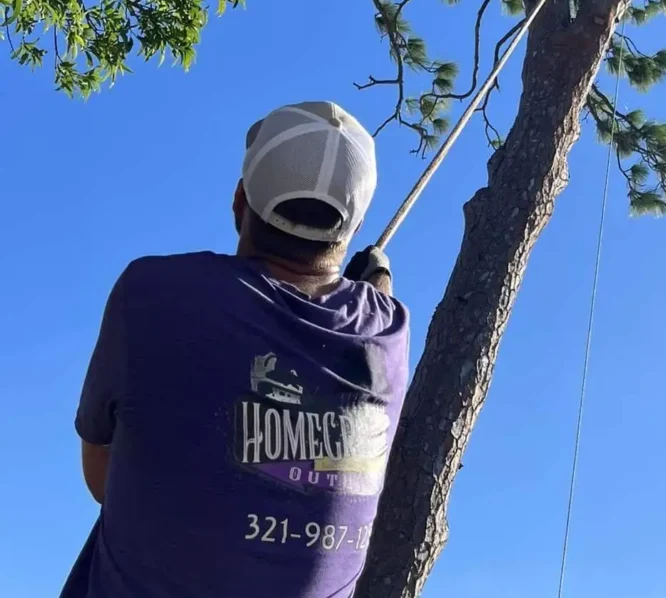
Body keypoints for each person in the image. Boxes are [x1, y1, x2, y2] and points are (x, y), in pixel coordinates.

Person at [61, 101, 410, 598]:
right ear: (350, 229)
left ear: (240, 201)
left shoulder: (153, 293)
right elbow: (375, 306)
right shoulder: (390, 328)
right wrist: (376, 275)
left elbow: (100, 477)